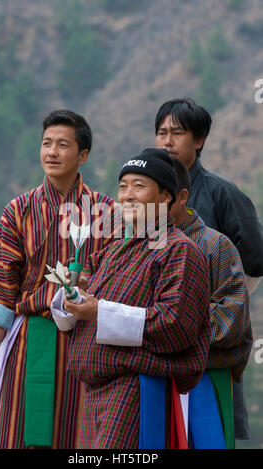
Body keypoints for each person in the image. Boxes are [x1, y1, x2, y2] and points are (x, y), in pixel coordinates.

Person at [50, 148, 212, 449]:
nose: (127, 195)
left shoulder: (180, 250)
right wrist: (70, 299)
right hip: (95, 391)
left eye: (139, 186)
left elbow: (174, 326)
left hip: (135, 388)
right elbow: (76, 310)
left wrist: (99, 311)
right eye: (123, 186)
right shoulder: (113, 251)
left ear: (165, 197)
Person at [0, 109, 116, 449]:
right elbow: (2, 285)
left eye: (62, 145)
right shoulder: (18, 211)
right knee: (23, 436)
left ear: (82, 155)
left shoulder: (105, 211)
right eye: (46, 143)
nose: (51, 152)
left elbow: (115, 278)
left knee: (82, 437)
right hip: (29, 339)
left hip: (87, 340)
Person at [155, 97, 263, 439]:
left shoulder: (223, 193)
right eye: (161, 133)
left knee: (208, 432)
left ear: (198, 140)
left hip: (208, 347)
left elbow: (257, 261)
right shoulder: (143, 196)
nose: (167, 141)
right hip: (158, 343)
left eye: (177, 133)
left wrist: (223, 308)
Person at [170, 158, 253, 448]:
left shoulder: (216, 246)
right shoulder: (136, 246)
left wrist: (170, 327)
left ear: (180, 197)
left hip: (205, 378)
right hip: (151, 380)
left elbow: (230, 322)